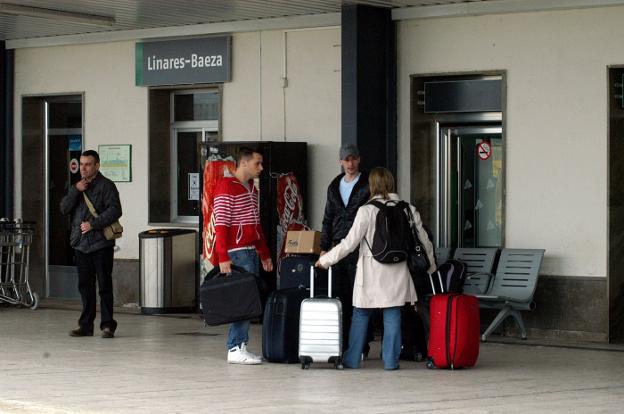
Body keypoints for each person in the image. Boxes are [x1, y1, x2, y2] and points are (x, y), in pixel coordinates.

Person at [316, 167, 436, 370]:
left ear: (371, 186)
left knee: (361, 313)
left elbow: (348, 244)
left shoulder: (366, 211)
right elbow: (424, 240)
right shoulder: (407, 208)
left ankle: (352, 358)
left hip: (371, 271)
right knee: (393, 313)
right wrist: (431, 266)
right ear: (391, 183)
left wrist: (325, 260)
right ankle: (390, 361)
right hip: (398, 271)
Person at [213, 146, 274, 365]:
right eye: (258, 163)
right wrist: (223, 257)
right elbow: (221, 224)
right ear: (244, 163)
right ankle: (235, 347)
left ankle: (240, 345)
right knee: (243, 301)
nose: (261, 168)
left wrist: (264, 253)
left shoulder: (251, 190)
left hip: (249, 251)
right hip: (236, 253)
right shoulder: (226, 186)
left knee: (249, 300)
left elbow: (255, 225)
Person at [60, 150, 122, 339]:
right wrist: (75, 190)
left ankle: (107, 325)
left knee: (104, 285)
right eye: (82, 164)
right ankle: (85, 325)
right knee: (85, 286)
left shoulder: (107, 186)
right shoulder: (76, 187)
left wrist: (93, 224)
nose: (84, 168)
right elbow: (64, 208)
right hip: (80, 244)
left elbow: (115, 210)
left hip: (101, 243)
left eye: (88, 164)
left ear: (97, 166)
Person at [320, 144, 370, 353]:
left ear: (359, 160)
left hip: (360, 247)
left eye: (353, 159)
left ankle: (361, 344)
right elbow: (328, 218)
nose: (350, 163)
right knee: (340, 296)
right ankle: (343, 342)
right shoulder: (334, 186)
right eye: (346, 159)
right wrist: (324, 247)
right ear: (340, 161)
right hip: (339, 247)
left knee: (359, 297)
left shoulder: (367, 184)